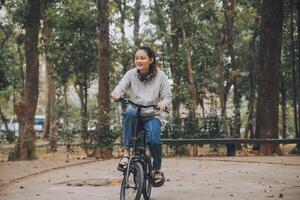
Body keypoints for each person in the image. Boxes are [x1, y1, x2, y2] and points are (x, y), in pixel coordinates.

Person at [111, 46, 172, 185]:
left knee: (155, 142)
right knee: (130, 112)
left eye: (142, 58)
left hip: (152, 115)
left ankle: (156, 170)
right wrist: (116, 93)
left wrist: (163, 103)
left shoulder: (161, 76)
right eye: (136, 58)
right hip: (136, 113)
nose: (139, 61)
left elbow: (167, 96)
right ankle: (126, 154)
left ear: (151, 60)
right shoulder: (131, 74)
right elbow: (121, 87)